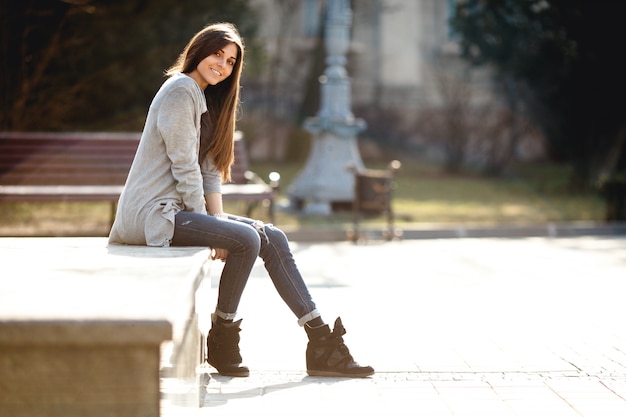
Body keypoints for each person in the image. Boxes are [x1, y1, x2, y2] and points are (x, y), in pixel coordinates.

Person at [108, 23, 373, 378]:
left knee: (272, 237)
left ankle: (321, 341)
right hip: (150, 215)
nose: (222, 64)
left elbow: (208, 171)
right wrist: (213, 230)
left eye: (231, 61)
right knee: (246, 239)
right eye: (218, 54)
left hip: (174, 212)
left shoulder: (206, 97)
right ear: (200, 50)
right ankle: (223, 337)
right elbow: (183, 165)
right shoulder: (181, 90)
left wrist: (215, 225)